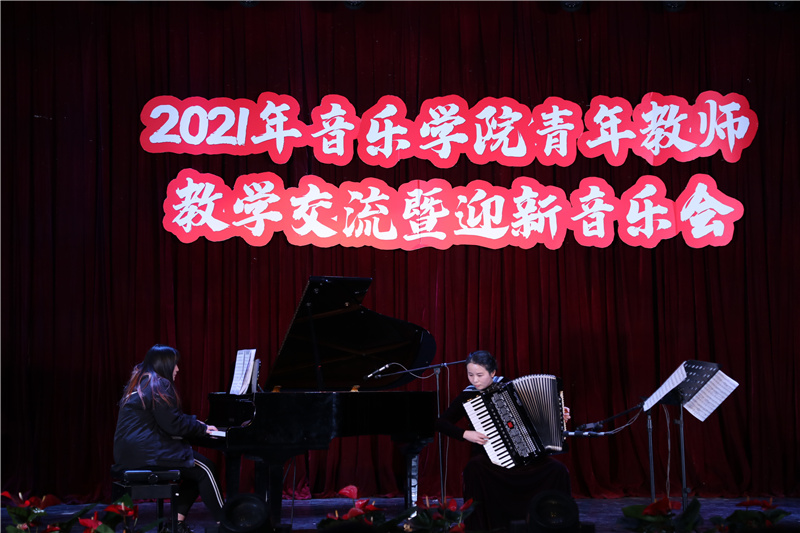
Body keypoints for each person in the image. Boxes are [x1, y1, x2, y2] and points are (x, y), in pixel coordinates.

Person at [436, 350, 572, 531]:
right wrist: (465, 434)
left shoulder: (511, 387)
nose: (474, 380)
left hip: (525, 456)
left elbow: (536, 417)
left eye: (479, 375)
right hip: (490, 458)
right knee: (473, 468)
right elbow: (440, 423)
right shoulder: (468, 395)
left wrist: (559, 416)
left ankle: (553, 524)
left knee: (558, 470)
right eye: (470, 375)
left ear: (492, 372)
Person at [113, 344, 225, 533]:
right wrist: (203, 428)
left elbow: (167, 418)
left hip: (131, 454)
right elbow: (173, 425)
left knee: (193, 470)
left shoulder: (142, 382)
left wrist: (196, 424)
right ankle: (227, 524)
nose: (177, 369)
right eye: (175, 364)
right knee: (207, 469)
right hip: (148, 454)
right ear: (164, 365)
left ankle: (176, 524)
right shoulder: (159, 384)